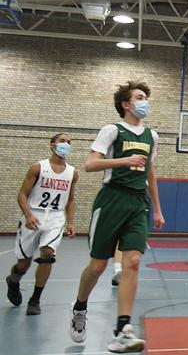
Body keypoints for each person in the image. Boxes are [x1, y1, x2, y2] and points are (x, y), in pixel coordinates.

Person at [70, 81, 165, 352]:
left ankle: (123, 328)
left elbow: (150, 172)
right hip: (111, 199)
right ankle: (79, 306)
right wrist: (123, 160)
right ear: (126, 104)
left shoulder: (152, 136)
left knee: (132, 261)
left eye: (146, 97)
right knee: (98, 267)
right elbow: (90, 164)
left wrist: (157, 208)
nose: (144, 101)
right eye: (139, 97)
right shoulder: (112, 130)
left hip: (138, 202)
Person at [6, 134, 77, 316]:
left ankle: (35, 300)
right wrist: (28, 215)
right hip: (33, 215)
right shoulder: (38, 167)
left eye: (69, 142)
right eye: (62, 141)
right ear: (52, 145)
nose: (66, 144)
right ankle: (13, 281)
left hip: (55, 218)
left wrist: (70, 222)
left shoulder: (72, 172)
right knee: (23, 264)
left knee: (47, 253)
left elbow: (70, 200)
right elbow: (22, 194)